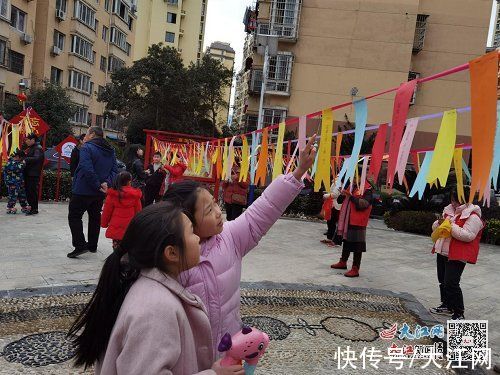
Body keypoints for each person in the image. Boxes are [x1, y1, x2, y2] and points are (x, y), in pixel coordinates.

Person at [163, 135, 317, 356]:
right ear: (186, 220)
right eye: (208, 210)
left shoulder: (230, 237)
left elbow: (264, 209)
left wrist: (298, 172)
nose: (218, 213)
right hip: (189, 357)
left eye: (215, 203)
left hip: (228, 350)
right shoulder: (172, 259)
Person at [68, 202, 244, 375]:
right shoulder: (156, 309)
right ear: (171, 253)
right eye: (191, 232)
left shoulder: (145, 287)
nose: (198, 237)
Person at [429, 186, 484, 321]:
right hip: (442, 250)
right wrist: (439, 223)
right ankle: (447, 305)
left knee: (451, 283)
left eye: (457, 201)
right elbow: (436, 228)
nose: (454, 204)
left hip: (458, 254)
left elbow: (468, 235)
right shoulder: (448, 211)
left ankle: (459, 312)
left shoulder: (473, 216)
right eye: (453, 200)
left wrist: (450, 225)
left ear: (465, 200)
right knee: (442, 281)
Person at [68, 127, 118, 258]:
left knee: (74, 216)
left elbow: (86, 167)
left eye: (88, 133)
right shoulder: (111, 150)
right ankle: (92, 245)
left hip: (83, 189)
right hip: (100, 191)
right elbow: (114, 170)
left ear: (93, 134)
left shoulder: (87, 148)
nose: (86, 136)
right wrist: (106, 183)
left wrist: (96, 184)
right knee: (95, 216)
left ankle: (80, 245)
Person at [330, 183, 373, 277]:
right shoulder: (351, 186)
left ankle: (355, 268)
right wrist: (342, 194)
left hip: (358, 221)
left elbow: (364, 204)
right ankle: (343, 262)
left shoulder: (367, 189)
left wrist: (350, 196)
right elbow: (342, 200)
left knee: (357, 245)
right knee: (346, 241)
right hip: (347, 219)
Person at [101, 171, 142, 250]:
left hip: (116, 226)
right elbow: (138, 212)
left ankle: (116, 259)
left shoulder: (112, 194)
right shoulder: (134, 195)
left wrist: (104, 224)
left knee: (117, 248)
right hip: (130, 227)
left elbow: (106, 212)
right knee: (128, 247)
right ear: (129, 182)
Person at [23, 133, 45, 215]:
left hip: (33, 174)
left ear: (33, 140)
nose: (26, 142)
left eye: (27, 140)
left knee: (32, 192)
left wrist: (25, 159)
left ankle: (34, 209)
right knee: (29, 191)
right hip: (29, 173)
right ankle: (31, 207)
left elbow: (36, 158)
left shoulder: (38, 148)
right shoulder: (32, 147)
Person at [3, 149, 29, 214]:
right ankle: (9, 208)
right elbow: (18, 168)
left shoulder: (18, 162)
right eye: (22, 158)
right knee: (13, 196)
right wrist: (23, 163)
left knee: (22, 195)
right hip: (12, 183)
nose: (22, 159)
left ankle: (24, 206)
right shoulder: (10, 162)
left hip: (20, 182)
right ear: (17, 156)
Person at [320, 180, 342, 247]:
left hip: (335, 205)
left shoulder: (339, 181)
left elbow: (335, 194)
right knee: (330, 222)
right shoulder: (336, 180)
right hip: (332, 204)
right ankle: (330, 238)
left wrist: (326, 195)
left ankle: (333, 240)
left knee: (332, 222)